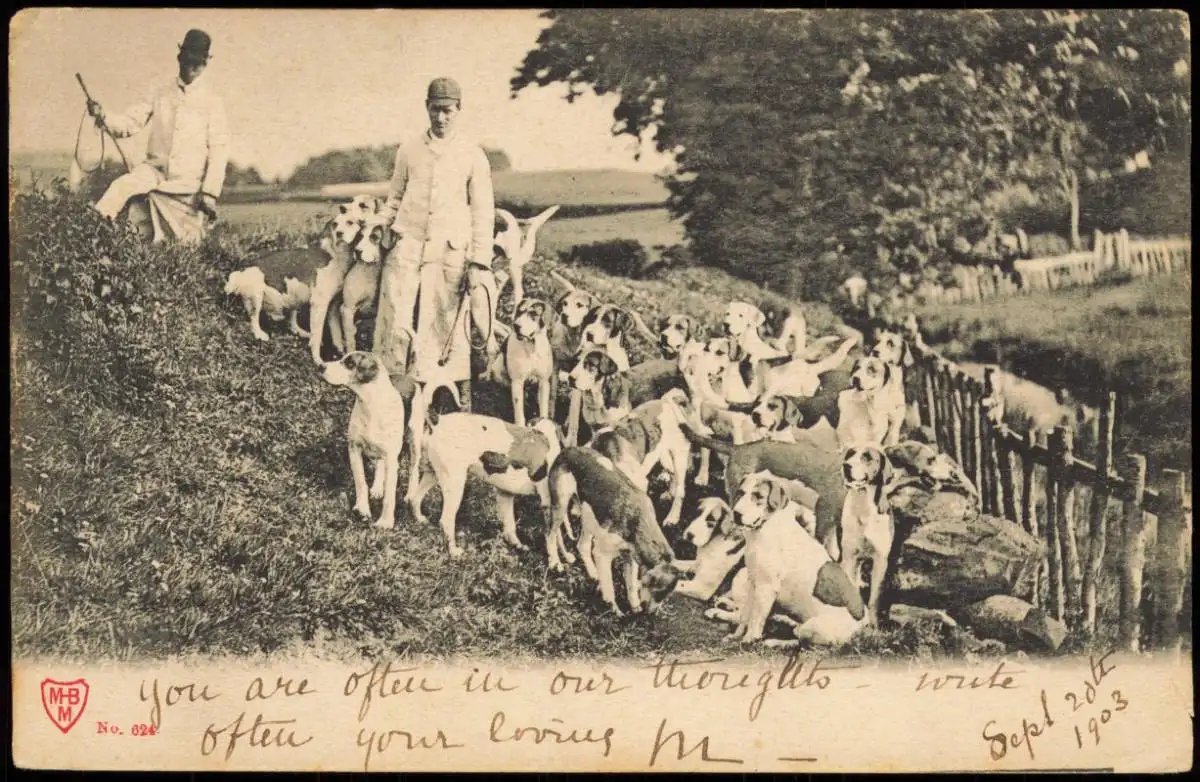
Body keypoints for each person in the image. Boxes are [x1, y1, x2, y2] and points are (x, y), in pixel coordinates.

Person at [373, 77, 498, 412]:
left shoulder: (472, 155)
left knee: (445, 325)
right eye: (434, 109)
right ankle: (394, 395)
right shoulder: (409, 150)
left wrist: (478, 262)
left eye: (447, 111)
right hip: (407, 247)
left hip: (450, 252)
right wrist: (381, 228)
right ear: (425, 107)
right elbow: (395, 197)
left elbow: (483, 212)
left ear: (459, 110)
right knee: (397, 315)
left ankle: (450, 403)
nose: (440, 118)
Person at [87, 29, 230, 244]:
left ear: (205, 64)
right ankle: (89, 235)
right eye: (189, 60)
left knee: (186, 245)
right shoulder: (160, 91)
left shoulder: (212, 102)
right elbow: (130, 123)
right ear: (180, 57)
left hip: (188, 184)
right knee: (120, 187)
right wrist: (104, 115)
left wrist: (209, 193)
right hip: (154, 171)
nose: (193, 68)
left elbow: (219, 150)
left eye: (199, 63)